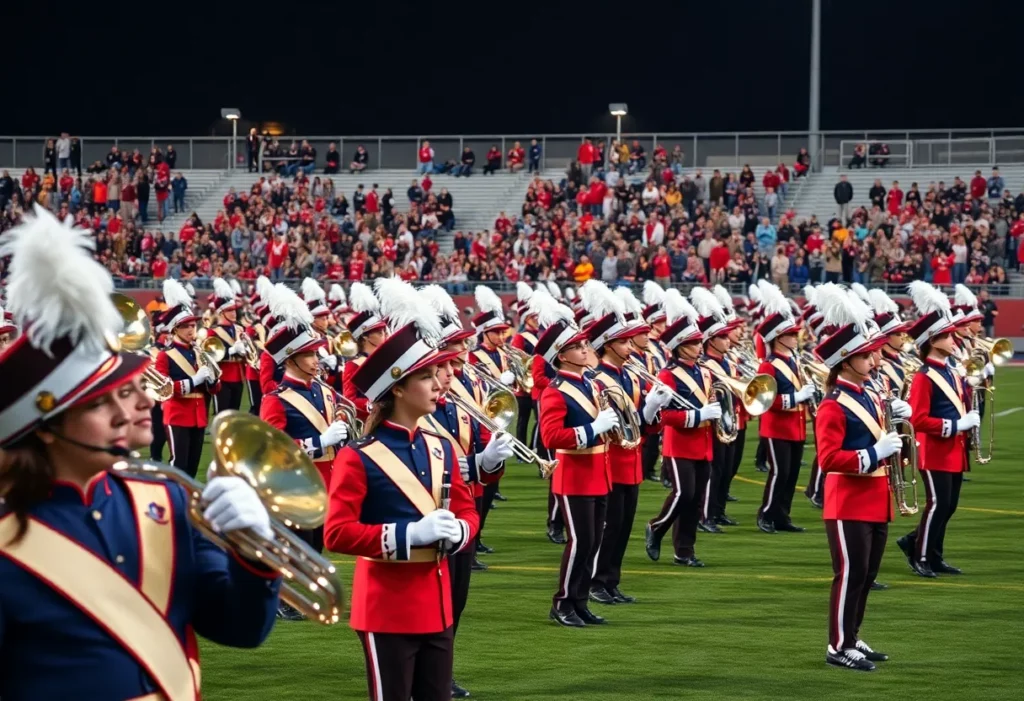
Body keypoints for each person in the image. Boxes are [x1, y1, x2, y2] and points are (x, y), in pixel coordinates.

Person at [0, 208, 280, 700]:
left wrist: (255, 551)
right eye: (106, 399)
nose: (143, 401)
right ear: (45, 427)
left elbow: (240, 627)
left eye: (129, 389)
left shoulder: (168, 500)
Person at [324, 278, 480, 701]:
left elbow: (468, 511)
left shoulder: (442, 447)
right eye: (426, 376)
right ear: (396, 387)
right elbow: (337, 533)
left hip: (439, 603)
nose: (438, 384)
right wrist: (409, 535)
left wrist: (460, 532)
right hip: (387, 609)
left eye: (436, 375)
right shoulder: (358, 455)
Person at [420, 284, 513, 699]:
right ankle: (422, 674)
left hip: (462, 512)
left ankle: (441, 673)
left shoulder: (459, 406)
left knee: (455, 601)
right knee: (428, 602)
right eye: (442, 366)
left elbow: (476, 465)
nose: (452, 370)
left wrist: (491, 457)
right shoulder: (411, 412)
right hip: (426, 518)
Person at [812, 285, 909, 672]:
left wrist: (898, 420)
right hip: (848, 500)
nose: (875, 358)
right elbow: (828, 458)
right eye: (866, 355)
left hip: (875, 496)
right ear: (847, 361)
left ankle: (852, 635)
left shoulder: (872, 393)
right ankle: (838, 645)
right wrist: (874, 453)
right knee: (850, 576)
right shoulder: (832, 404)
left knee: (867, 576)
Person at [581, 282, 670, 604]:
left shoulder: (631, 374)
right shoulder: (597, 379)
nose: (630, 345)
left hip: (630, 462)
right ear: (607, 344)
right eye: (622, 341)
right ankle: (595, 581)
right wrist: (642, 412)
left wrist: (652, 408)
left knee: (622, 528)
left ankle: (610, 580)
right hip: (609, 461)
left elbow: (643, 427)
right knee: (607, 529)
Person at [536, 298, 619, 627]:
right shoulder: (555, 391)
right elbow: (551, 437)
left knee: (594, 541)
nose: (586, 349)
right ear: (562, 355)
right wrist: (593, 429)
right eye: (577, 346)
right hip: (574, 474)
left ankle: (580, 601)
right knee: (580, 541)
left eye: (585, 344)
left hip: (599, 471)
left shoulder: (590, 383)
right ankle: (562, 603)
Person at [897, 282, 979, 578]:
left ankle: (931, 552)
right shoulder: (924, 377)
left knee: (949, 506)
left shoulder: (951, 370)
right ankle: (920, 556)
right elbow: (918, 420)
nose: (954, 339)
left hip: (953, 450)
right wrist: (957, 425)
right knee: (937, 505)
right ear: (932, 340)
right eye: (947, 335)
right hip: (934, 451)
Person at [643, 290, 720, 568]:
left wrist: (716, 410)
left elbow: (709, 400)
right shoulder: (667, 375)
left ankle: (684, 551)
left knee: (695, 499)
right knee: (682, 494)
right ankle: (656, 526)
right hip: (679, 444)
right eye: (694, 342)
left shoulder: (706, 371)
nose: (700, 346)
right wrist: (699, 414)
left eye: (699, 341)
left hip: (704, 443)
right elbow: (665, 416)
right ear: (679, 345)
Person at [754, 280, 815, 534]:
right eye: (790, 334)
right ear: (778, 338)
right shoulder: (768, 365)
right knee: (779, 474)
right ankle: (766, 514)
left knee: (790, 476)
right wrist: (797, 397)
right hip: (777, 427)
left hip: (796, 426)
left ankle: (782, 516)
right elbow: (763, 401)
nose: (795, 336)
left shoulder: (795, 360)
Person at [467, 286, 518, 555]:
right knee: (479, 488)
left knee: (493, 481)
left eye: (503, 331)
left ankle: (479, 534)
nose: (502, 336)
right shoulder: (475, 357)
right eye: (496, 332)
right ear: (484, 333)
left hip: (499, 421)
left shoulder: (506, 354)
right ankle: (471, 540)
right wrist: (500, 382)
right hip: (479, 424)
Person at [155, 279, 223, 478]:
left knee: (192, 467)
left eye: (193, 325)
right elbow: (164, 388)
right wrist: (194, 380)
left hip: (198, 416)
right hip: (177, 415)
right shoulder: (165, 355)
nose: (192, 329)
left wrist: (211, 380)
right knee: (179, 466)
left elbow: (215, 389)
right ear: (175, 329)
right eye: (186, 326)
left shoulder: (199, 351)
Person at [690, 287, 744, 531]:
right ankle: (705, 515)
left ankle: (719, 510)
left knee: (727, 469)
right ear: (711, 340)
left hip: (730, 421)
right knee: (716, 470)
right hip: (714, 424)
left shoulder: (728, 362)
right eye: (723, 336)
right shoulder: (706, 364)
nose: (728, 339)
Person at [341, 281, 389, 424]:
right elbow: (349, 400)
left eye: (384, 331)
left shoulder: (385, 360)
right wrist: (373, 405)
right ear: (365, 336)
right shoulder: (353, 365)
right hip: (368, 423)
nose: (384, 335)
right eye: (379, 332)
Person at [208, 278, 250, 413]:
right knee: (223, 415)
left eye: (234, 310)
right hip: (223, 376)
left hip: (239, 376)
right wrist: (232, 350)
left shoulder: (239, 328)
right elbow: (212, 355)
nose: (234, 313)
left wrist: (247, 350)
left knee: (235, 415)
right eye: (230, 310)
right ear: (221, 312)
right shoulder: (213, 331)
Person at [511, 282, 541, 445]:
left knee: (538, 417)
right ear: (526, 319)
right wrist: (523, 380)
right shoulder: (520, 337)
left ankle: (533, 446)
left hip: (537, 382)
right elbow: (516, 361)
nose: (536, 319)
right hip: (524, 386)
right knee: (523, 419)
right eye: (533, 317)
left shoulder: (540, 335)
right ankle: (521, 448)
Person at [244, 276, 274, 415]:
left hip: (270, 371)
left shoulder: (274, 329)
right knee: (256, 406)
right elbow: (251, 348)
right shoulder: (253, 328)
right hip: (254, 373)